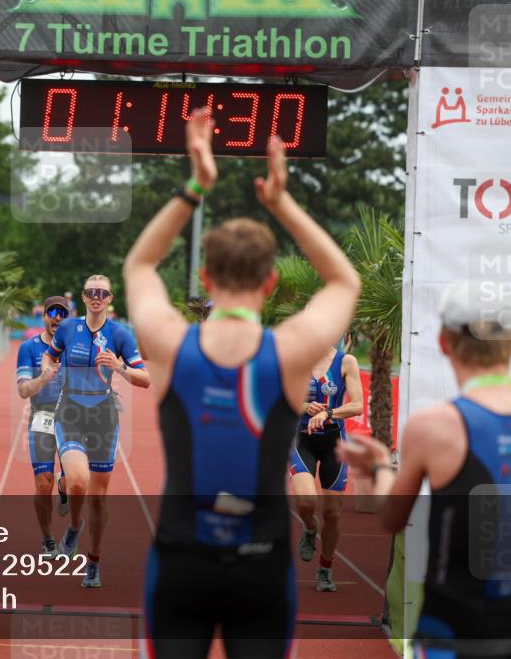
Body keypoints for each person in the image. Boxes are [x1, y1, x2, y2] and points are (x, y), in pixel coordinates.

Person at [123, 109, 361, 658]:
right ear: (271, 280)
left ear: (205, 279)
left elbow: (140, 265)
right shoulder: (293, 350)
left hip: (182, 555)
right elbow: (344, 279)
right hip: (262, 558)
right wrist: (281, 203)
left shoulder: (170, 342)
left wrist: (195, 185)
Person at [338, 282, 511, 659]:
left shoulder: (435, 425)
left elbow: (394, 516)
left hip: (451, 631)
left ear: (445, 343)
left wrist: (381, 465)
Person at [41, 275, 152, 587]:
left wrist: (119, 367)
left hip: (103, 415)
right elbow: (51, 354)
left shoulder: (119, 335)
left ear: (110, 298)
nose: (96, 297)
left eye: (102, 293)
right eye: (91, 291)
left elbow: (145, 379)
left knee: (99, 498)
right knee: (77, 482)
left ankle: (94, 561)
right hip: (71, 411)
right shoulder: (67, 329)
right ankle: (75, 525)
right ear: (84, 296)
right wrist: (48, 366)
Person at [290, 332, 363, 592]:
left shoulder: (347, 362)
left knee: (333, 512)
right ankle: (310, 529)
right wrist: (303, 408)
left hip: (334, 442)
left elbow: (357, 406)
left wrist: (329, 413)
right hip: (301, 440)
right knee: (307, 502)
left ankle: (325, 567)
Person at [17, 296, 69, 555]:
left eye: (62, 313)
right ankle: (47, 537)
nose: (57, 317)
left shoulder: (77, 348)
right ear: (44, 317)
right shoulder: (29, 348)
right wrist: (43, 379)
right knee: (42, 484)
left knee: (75, 480)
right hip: (42, 417)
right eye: (52, 312)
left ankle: (65, 485)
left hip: (74, 419)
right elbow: (23, 390)